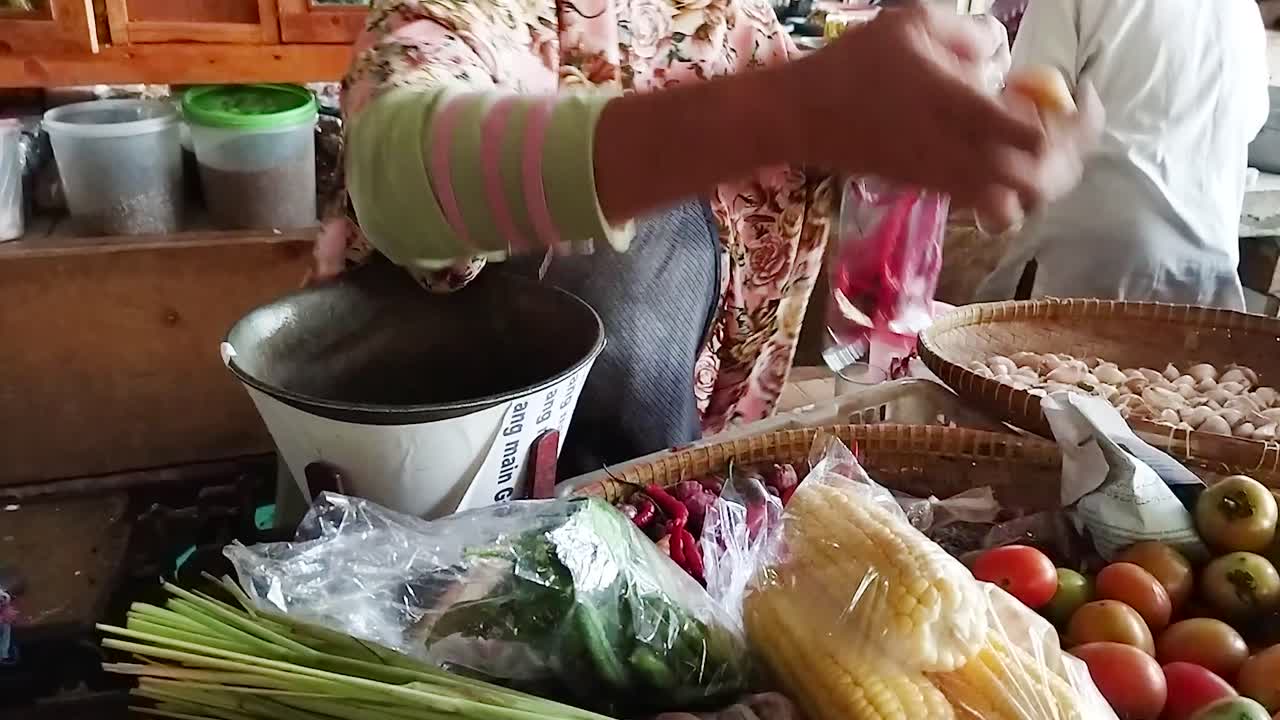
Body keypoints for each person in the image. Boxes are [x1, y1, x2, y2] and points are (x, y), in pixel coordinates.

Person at [315, 1, 1099, 476]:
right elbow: (394, 175)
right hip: (428, 540)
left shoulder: (736, 29)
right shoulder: (480, 20)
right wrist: (789, 109)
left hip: (656, 510)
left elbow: (797, 147)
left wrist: (937, 120)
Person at [977, 0, 1269, 309]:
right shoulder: (1242, 11)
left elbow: (1024, 129)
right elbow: (1248, 124)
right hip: (1208, 283)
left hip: (1083, 272)